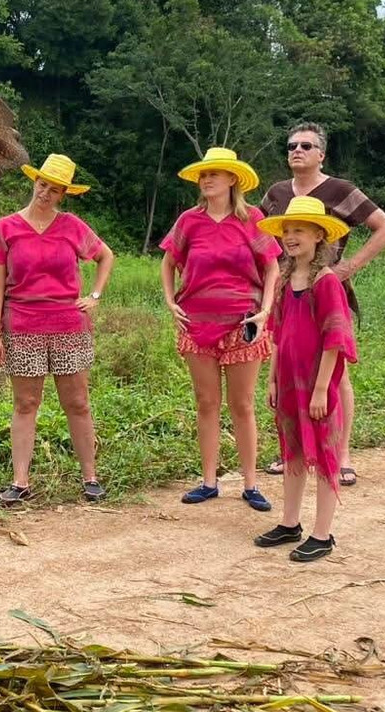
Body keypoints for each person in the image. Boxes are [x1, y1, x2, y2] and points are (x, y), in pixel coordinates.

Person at [260, 123, 385, 487]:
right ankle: (292, 451)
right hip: (288, 290)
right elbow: (261, 240)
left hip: (326, 290)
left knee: (336, 372)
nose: (297, 150)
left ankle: (341, 454)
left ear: (321, 154)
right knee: (289, 367)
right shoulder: (276, 194)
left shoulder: (340, 190)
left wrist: (347, 268)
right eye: (291, 145)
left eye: (307, 145)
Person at [0, 153, 115, 506]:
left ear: (63, 195)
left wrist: (95, 295)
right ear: (34, 182)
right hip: (22, 325)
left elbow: (106, 256)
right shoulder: (6, 227)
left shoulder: (72, 226)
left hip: (68, 324)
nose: (46, 193)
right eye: (43, 184)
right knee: (26, 402)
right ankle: (20, 481)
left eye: (54, 190)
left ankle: (90, 476)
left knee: (78, 402)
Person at [159, 147, 281, 511]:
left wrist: (266, 309)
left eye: (214, 173)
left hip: (242, 322)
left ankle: (251, 483)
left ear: (232, 179)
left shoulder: (252, 219)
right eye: (203, 174)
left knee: (242, 404)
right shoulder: (188, 221)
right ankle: (209, 481)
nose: (206, 179)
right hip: (196, 323)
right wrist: (170, 300)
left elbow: (272, 266)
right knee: (206, 403)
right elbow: (168, 263)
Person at [254, 196, 357, 562]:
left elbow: (335, 338)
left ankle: (322, 534)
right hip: (288, 381)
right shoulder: (284, 279)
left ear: (318, 236)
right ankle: (290, 522)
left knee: (325, 453)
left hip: (317, 384)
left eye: (299, 230)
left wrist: (319, 389)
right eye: (287, 230)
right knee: (292, 450)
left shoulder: (326, 281)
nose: (290, 236)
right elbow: (279, 334)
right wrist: (271, 379)